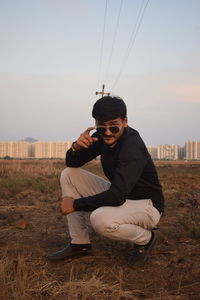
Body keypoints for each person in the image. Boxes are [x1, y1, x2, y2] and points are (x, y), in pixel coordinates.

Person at [47, 96, 164, 266]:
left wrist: (75, 204)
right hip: (122, 193)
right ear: (96, 124)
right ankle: (80, 244)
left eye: (113, 126)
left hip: (146, 204)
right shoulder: (101, 137)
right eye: (102, 128)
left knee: (100, 220)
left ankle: (145, 238)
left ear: (125, 121)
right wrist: (75, 147)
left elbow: (116, 197)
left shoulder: (132, 145)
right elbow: (73, 163)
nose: (108, 132)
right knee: (69, 174)